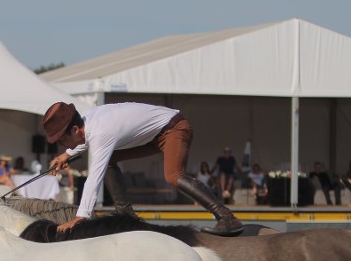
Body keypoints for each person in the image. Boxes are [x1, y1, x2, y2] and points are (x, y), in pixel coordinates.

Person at [42, 101, 242, 235]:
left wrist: (80, 217)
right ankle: (127, 217)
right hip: (156, 134)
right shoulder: (90, 119)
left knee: (173, 176)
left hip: (174, 128)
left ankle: (227, 217)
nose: (61, 145)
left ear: (75, 129)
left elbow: (95, 177)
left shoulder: (101, 130)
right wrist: (68, 154)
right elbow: (87, 140)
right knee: (111, 158)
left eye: (62, 141)